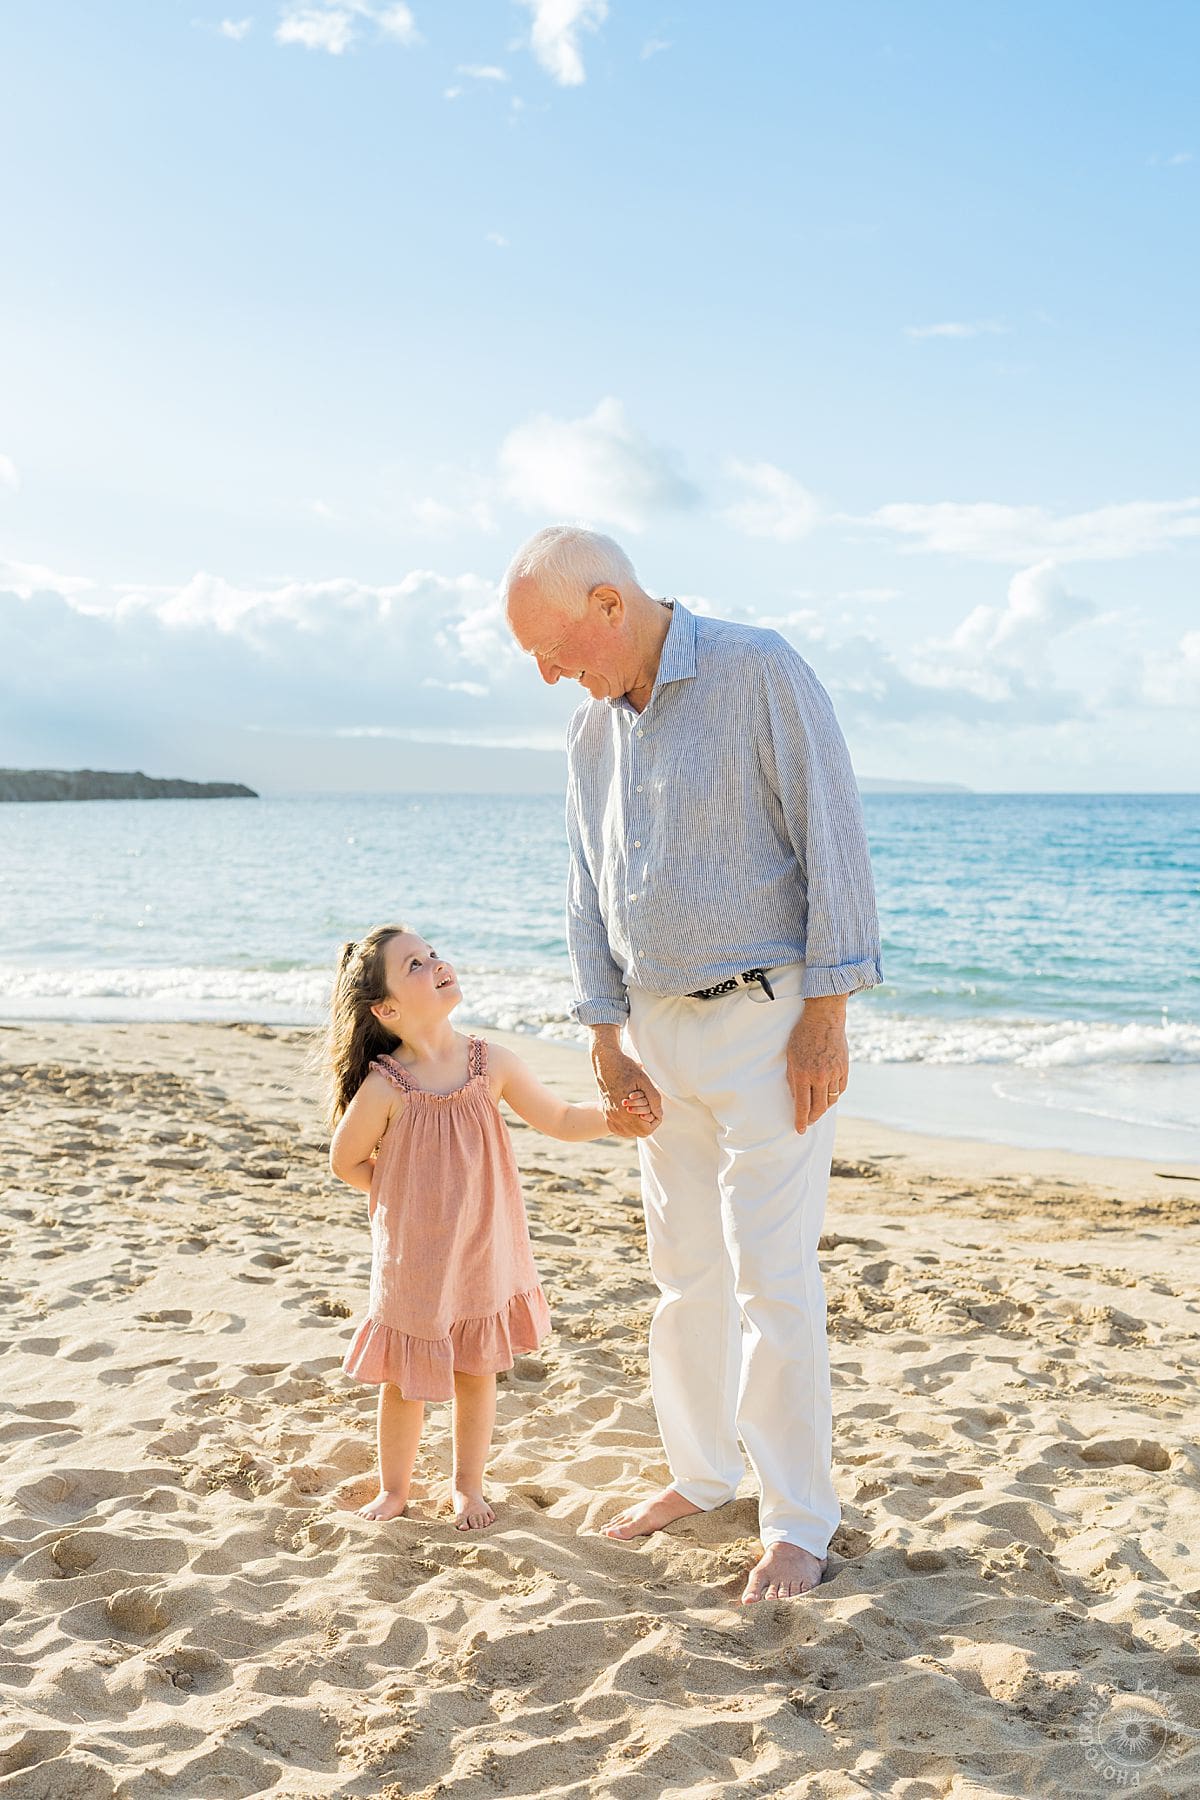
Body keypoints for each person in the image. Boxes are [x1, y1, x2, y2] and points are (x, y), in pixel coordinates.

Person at [503, 525, 884, 1604]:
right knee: (684, 1276)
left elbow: (835, 840)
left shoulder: (757, 668)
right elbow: (588, 890)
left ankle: (798, 1518)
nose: (547, 672)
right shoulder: (588, 731)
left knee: (774, 1279)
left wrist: (828, 1014)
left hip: (768, 1020)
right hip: (655, 1036)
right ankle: (702, 1473)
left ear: (611, 605)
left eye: (555, 645)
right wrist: (604, 1037)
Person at [326, 922, 654, 1531]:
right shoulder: (386, 1084)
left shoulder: (490, 1062)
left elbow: (556, 1117)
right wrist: (399, 1197)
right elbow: (345, 1160)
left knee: (475, 1371)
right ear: (387, 1007)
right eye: (415, 965)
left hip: (484, 1247)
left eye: (433, 954)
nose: (436, 963)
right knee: (405, 1379)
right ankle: (394, 1490)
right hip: (413, 1259)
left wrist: (613, 1120)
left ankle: (466, 1489)